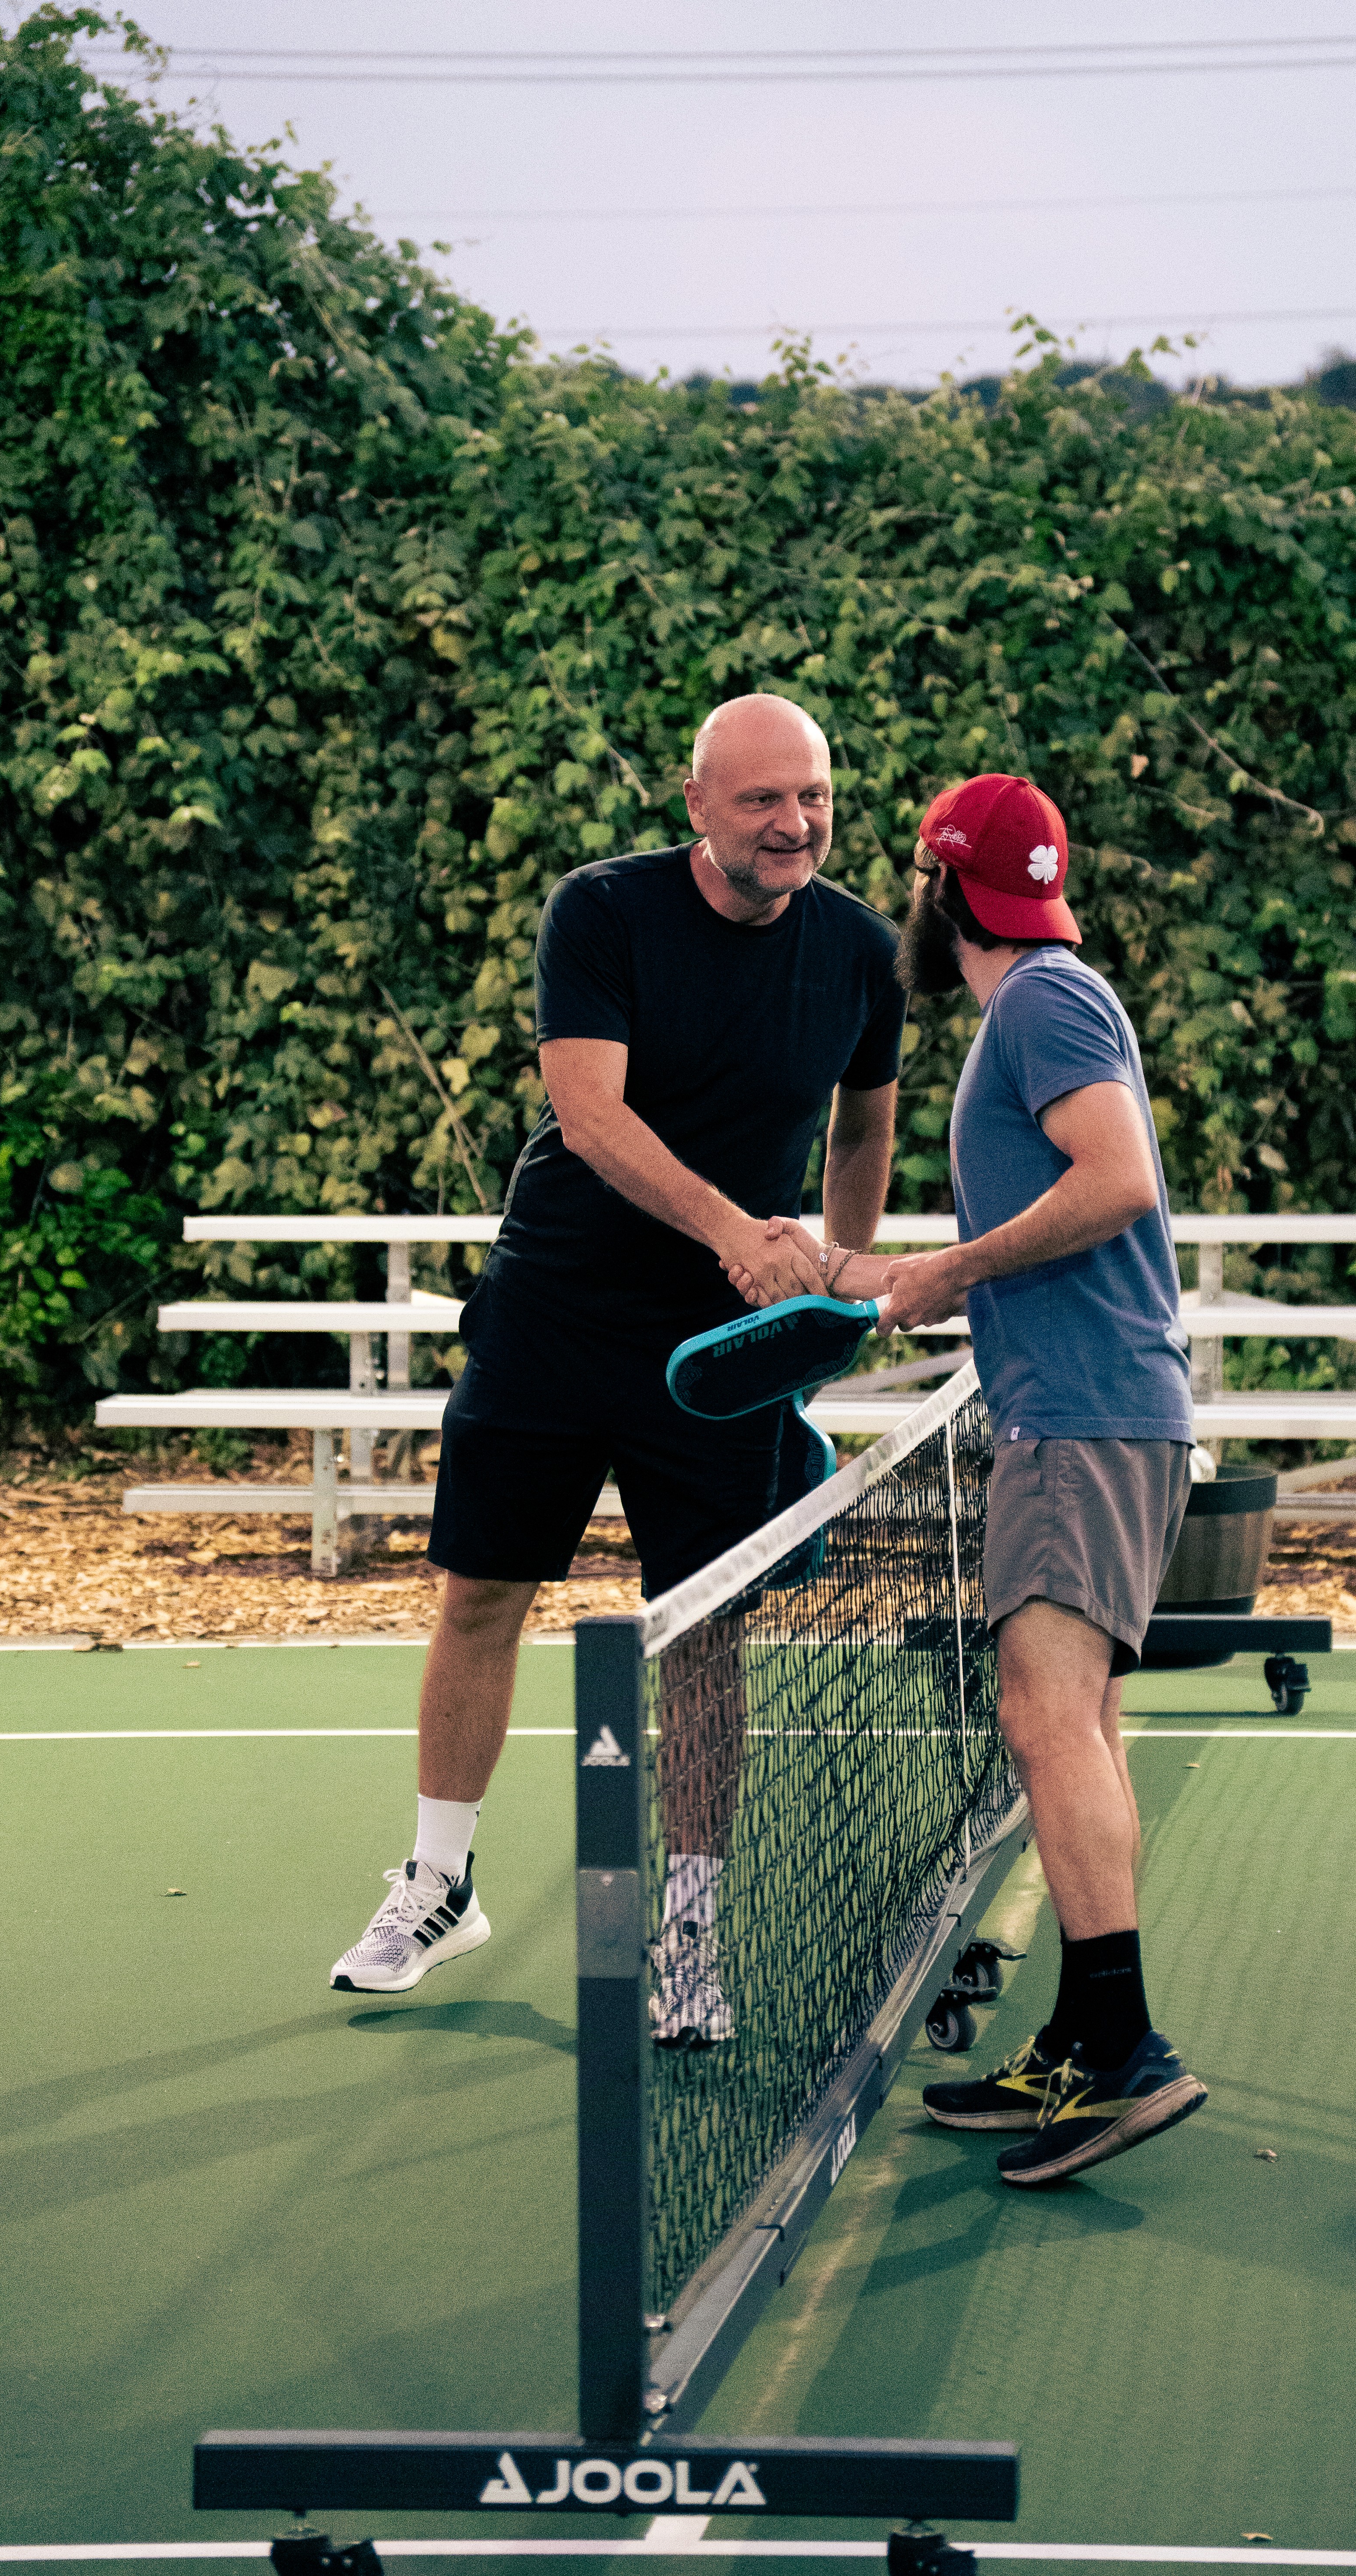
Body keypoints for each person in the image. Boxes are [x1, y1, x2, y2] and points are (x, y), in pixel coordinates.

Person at [328, 694, 905, 2032]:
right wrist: (735, 1235)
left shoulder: (866, 953)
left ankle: (687, 1937)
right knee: (484, 1594)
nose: (794, 822)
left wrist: (822, 1292)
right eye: (763, 799)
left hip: (718, 1349)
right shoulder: (602, 913)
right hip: (556, 1310)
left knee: (705, 1633)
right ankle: (439, 1881)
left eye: (812, 795)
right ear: (698, 805)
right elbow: (591, 1118)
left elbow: (862, 1133)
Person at [755, 772, 1207, 2188]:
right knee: (1083, 1721)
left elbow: (1117, 1181)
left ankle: (1128, 2050)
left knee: (1044, 1714)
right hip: (1075, 1409)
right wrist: (846, 1267)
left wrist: (945, 1266)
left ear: (941, 891)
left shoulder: (1042, 1005)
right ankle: (1084, 2034)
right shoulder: (1051, 1004)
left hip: (1080, 1426)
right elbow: (1028, 1236)